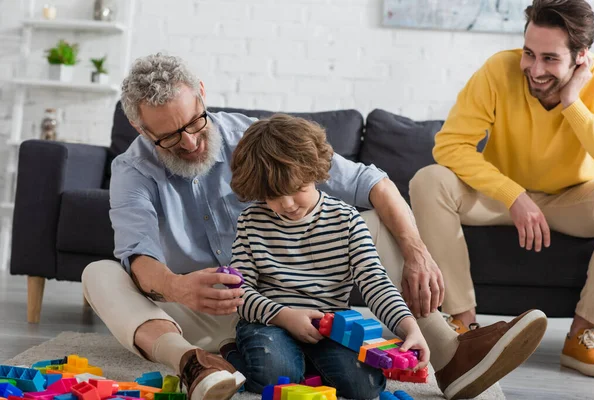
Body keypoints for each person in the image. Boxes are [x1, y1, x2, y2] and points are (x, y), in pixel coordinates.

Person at [81, 52, 547, 400]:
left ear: (202, 94)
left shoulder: (258, 139)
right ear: (142, 130)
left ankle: (447, 352)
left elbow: (372, 182)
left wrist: (419, 252)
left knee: (377, 223)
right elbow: (138, 254)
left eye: (195, 123)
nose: (189, 142)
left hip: (293, 303)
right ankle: (194, 364)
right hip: (196, 309)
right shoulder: (132, 170)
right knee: (100, 274)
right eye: (168, 136)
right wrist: (179, 287)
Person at [409, 0, 594, 378]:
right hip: (502, 198)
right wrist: (513, 194)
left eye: (550, 58)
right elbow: (450, 145)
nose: (534, 68)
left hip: (574, 200)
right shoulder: (499, 69)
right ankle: (463, 330)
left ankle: (584, 334)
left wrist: (572, 102)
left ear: (581, 58)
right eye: (529, 53)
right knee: (428, 180)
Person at [224, 114, 428, 399]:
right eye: (272, 196)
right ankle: (232, 354)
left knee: (366, 387)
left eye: (298, 190)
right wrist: (284, 316)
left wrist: (410, 328)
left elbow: (375, 283)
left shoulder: (346, 220)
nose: (287, 204)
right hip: (272, 323)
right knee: (276, 376)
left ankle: (307, 366)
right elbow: (241, 292)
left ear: (315, 173)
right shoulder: (251, 222)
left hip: (331, 327)